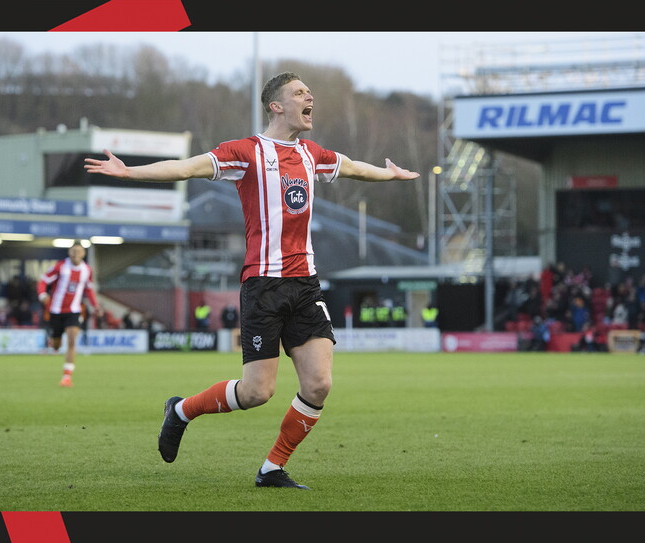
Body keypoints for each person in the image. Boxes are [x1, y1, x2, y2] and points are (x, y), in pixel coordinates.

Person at [84, 71, 419, 489]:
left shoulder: (311, 154)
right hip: (262, 285)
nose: (309, 96)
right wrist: (130, 173)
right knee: (256, 393)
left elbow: (351, 167)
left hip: (305, 285)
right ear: (276, 105)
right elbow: (187, 167)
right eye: (299, 92)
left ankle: (272, 469)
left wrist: (388, 174)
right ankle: (182, 410)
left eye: (309, 92)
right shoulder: (246, 151)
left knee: (319, 384)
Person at [37, 242, 104, 387]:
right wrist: (42, 294)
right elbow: (43, 280)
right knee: (57, 344)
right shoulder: (60, 266)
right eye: (73, 251)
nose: (75, 254)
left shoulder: (87, 270)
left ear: (83, 254)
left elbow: (89, 290)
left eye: (78, 251)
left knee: (72, 340)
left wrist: (96, 306)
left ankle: (66, 377)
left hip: (73, 310)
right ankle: (53, 343)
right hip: (55, 310)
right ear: (69, 252)